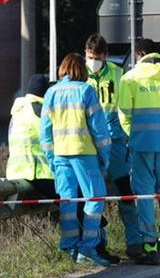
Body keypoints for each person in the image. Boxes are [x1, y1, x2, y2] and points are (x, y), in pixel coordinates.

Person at [40, 53, 113, 266]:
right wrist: (104, 157)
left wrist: (51, 158)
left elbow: (45, 131)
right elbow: (99, 130)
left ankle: (69, 246)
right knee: (94, 198)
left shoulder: (51, 92)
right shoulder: (86, 91)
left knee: (67, 201)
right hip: (84, 153)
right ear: (81, 69)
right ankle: (88, 247)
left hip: (61, 154)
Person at [117, 38, 160, 265]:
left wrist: (133, 135)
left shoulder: (130, 78)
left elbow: (124, 114)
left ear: (139, 54)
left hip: (141, 144)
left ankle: (149, 244)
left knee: (144, 195)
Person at [84, 34, 142, 261]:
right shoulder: (80, 75)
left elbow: (126, 107)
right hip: (91, 145)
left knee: (126, 194)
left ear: (105, 56)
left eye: (97, 57)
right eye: (89, 57)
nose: (93, 62)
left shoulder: (119, 75)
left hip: (116, 144)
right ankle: (99, 244)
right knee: (94, 197)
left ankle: (134, 242)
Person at [6, 74, 55, 197]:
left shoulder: (18, 110)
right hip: (38, 173)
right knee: (75, 203)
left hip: (15, 173)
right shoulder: (40, 110)